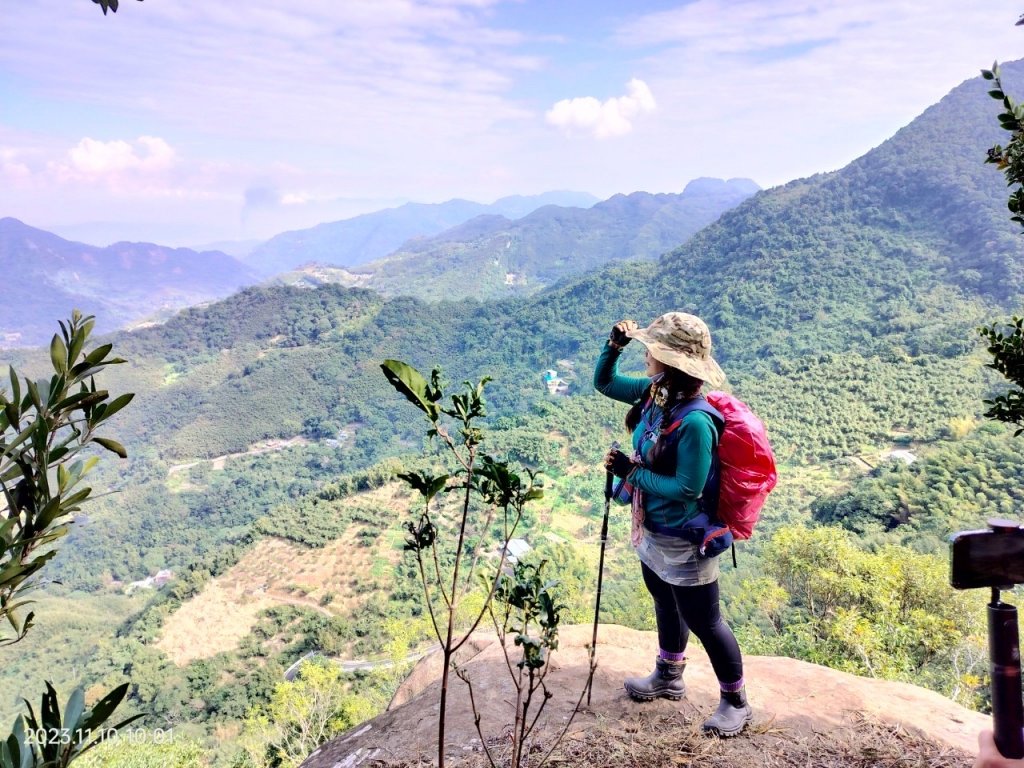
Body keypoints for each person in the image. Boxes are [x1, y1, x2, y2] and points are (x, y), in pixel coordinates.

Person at [593, 311, 751, 738]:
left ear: (672, 363)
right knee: (664, 600)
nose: (647, 356)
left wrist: (630, 471)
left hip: (685, 536)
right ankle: (669, 674)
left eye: (653, 351)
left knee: (705, 621)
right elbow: (605, 383)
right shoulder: (655, 394)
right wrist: (613, 347)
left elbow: (686, 487)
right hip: (653, 530)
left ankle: (735, 701)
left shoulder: (696, 422)